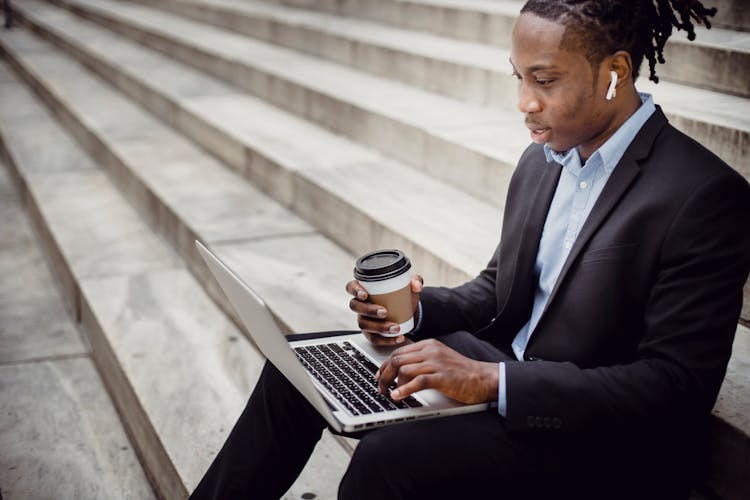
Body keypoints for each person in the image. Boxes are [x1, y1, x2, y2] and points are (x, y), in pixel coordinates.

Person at [191, 0, 750, 498]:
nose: (525, 102)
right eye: (519, 78)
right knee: (300, 367)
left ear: (616, 72)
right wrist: (412, 313)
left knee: (387, 463)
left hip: (595, 442)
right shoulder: (544, 159)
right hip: (503, 380)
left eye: (545, 80)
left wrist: (491, 381)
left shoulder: (702, 194)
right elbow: (498, 290)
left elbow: (675, 388)